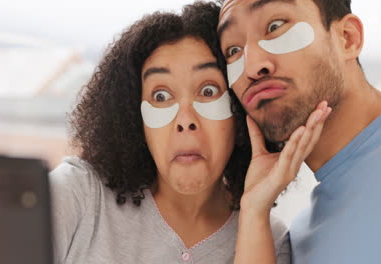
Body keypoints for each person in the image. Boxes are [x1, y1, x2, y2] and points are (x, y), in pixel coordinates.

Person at [49, 2, 328, 263]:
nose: (185, 120)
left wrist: (255, 212)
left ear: (239, 110)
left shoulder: (269, 239)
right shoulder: (79, 195)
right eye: (161, 96)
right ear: (135, 118)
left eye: (208, 91)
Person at [216, 0, 381, 263]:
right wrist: (254, 211)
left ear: (347, 39)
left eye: (275, 26)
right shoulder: (300, 240)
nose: (251, 67)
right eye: (233, 49)